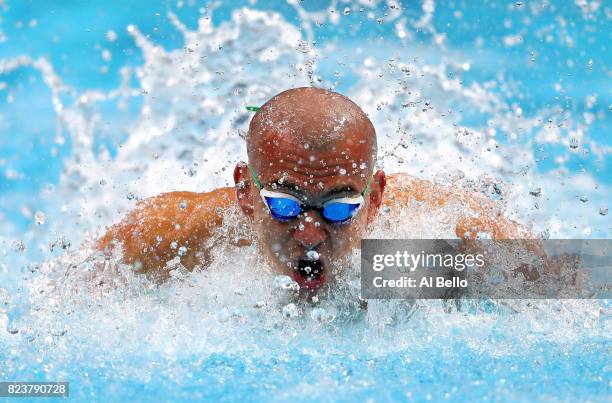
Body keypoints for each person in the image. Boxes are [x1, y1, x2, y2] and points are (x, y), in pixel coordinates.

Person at [97, 87, 526, 289]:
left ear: (375, 200)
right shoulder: (176, 238)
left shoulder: (422, 241)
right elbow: (65, 303)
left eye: (339, 208)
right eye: (283, 204)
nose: (309, 233)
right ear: (245, 193)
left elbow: (581, 275)